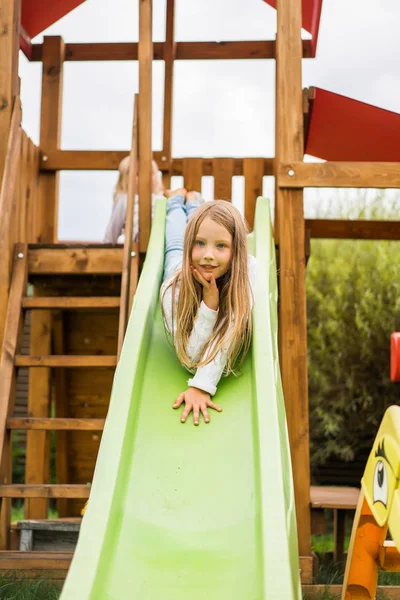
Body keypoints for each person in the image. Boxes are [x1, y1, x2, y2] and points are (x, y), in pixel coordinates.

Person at [160, 189, 256, 427]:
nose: (208, 256)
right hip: (179, 268)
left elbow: (227, 333)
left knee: (200, 226)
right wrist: (209, 305)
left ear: (236, 253)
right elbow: (190, 358)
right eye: (199, 243)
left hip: (210, 275)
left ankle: (194, 202)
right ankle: (175, 201)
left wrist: (203, 385)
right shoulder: (172, 291)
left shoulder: (248, 274)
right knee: (173, 246)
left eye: (221, 246)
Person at [103, 156, 165, 243]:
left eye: (151, 173)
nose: (146, 177)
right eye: (138, 174)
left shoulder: (161, 199)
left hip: (161, 241)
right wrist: (106, 250)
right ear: (126, 179)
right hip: (139, 242)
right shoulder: (125, 199)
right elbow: (113, 229)